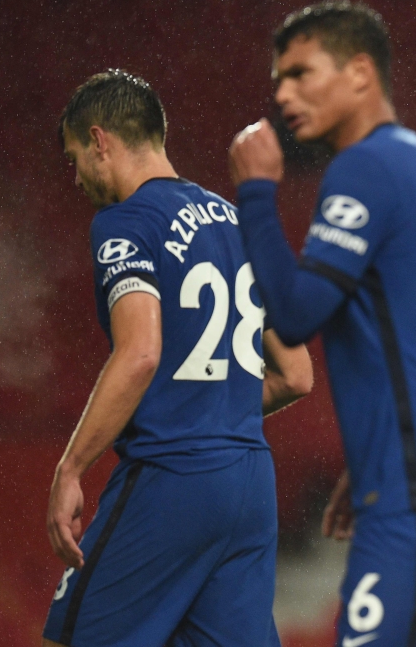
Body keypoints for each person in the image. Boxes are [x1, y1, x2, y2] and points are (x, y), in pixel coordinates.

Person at [227, 0, 416, 647]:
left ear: (360, 73)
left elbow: (294, 314)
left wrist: (255, 191)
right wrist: (378, 454)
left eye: (300, 73)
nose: (282, 94)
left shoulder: (364, 167)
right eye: (278, 79)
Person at [43, 70, 313, 647]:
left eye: (74, 157)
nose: (77, 177)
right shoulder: (237, 223)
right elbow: (297, 374)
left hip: (173, 479)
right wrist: (216, 407)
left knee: (68, 639)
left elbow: (141, 352)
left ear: (99, 141)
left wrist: (71, 468)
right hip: (249, 484)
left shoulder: (126, 222)